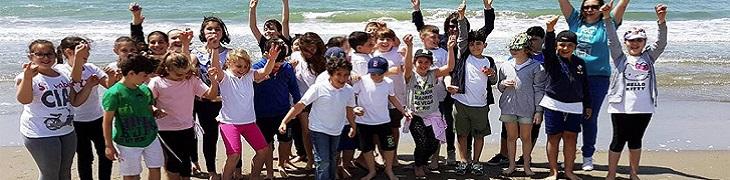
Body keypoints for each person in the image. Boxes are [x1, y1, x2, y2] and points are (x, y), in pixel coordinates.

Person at [412, 0, 495, 165]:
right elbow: (423, 31)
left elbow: (489, 27)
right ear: (445, 27)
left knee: (467, 124)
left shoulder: (470, 40)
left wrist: (487, 8)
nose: (453, 28)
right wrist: (416, 10)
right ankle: (450, 152)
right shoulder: (442, 41)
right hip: (446, 88)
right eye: (450, 25)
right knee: (448, 122)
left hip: (468, 90)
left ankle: (468, 155)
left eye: (456, 25)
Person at [558, 0, 631, 170]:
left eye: (594, 7)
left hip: (598, 77)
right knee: (570, 116)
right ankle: (569, 155)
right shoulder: (575, 20)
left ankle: (587, 156)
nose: (590, 10)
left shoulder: (608, 22)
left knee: (589, 117)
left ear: (601, 8)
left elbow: (624, 3)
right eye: (586, 7)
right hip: (573, 76)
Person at [603, 3, 668, 180]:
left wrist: (661, 21)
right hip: (620, 107)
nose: (635, 43)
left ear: (644, 42)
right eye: (631, 40)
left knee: (635, 141)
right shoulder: (619, 57)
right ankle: (611, 174)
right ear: (626, 42)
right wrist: (607, 18)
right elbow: (611, 40)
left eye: (639, 40)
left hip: (644, 107)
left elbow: (661, 43)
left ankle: (633, 174)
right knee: (618, 141)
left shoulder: (649, 57)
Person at [17, 40, 95, 180]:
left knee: (65, 173)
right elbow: (24, 99)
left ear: (55, 55)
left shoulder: (62, 74)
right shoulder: (27, 77)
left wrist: (88, 86)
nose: (46, 58)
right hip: (40, 132)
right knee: (50, 174)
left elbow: (74, 101)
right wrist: (27, 77)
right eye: (40, 54)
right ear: (31, 57)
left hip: (67, 130)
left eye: (49, 54)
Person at [278, 57, 358, 180]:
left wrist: (353, 125)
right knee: (323, 161)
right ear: (330, 74)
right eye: (338, 74)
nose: (342, 78)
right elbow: (300, 105)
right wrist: (285, 121)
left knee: (332, 158)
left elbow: (349, 109)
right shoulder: (318, 88)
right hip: (318, 129)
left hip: (336, 129)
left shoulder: (348, 90)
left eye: (346, 75)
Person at [444, 2, 497, 176]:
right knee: (461, 134)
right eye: (472, 44)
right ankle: (463, 161)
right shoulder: (464, 53)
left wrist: (491, 74)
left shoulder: (488, 60)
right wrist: (461, 17)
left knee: (479, 135)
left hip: (480, 105)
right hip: (461, 102)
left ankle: (475, 162)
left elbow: (494, 80)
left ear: (485, 45)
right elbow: (463, 37)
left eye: (479, 44)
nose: (475, 46)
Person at [149, 52, 220, 180]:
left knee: (186, 163)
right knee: (173, 163)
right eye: (178, 74)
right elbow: (146, 102)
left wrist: (213, 81)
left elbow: (211, 95)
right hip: (165, 130)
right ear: (167, 69)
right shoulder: (157, 82)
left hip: (187, 127)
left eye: (186, 72)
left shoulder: (191, 80)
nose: (183, 76)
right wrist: (154, 109)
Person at [213, 45, 279, 180]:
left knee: (263, 151)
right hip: (229, 123)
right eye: (238, 66)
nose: (242, 70)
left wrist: (271, 59)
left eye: (245, 66)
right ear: (229, 63)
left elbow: (265, 72)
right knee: (234, 155)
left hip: (249, 122)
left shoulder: (249, 75)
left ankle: (254, 177)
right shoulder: (225, 77)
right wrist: (214, 49)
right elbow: (216, 68)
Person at [541, 16, 592, 180]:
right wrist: (550, 30)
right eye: (562, 44)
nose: (565, 48)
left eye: (570, 45)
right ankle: (553, 172)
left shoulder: (580, 63)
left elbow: (585, 85)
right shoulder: (552, 60)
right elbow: (547, 49)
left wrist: (588, 105)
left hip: (575, 106)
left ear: (575, 47)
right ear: (557, 45)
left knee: (571, 139)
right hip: (553, 104)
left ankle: (569, 171)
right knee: (553, 138)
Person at [56, 36, 113, 180]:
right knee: (85, 156)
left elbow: (109, 86)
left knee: (105, 153)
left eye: (88, 51)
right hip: (75, 121)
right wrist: (78, 59)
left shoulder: (91, 67)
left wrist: (112, 76)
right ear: (68, 52)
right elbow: (74, 78)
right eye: (83, 51)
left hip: (96, 117)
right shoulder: (60, 69)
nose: (86, 55)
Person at [492, 26, 548, 167]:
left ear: (543, 40)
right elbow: (502, 81)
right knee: (508, 130)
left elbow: (541, 85)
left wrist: (539, 108)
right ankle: (504, 155)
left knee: (531, 131)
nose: (532, 42)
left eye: (535, 39)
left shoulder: (545, 57)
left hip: (535, 100)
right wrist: (504, 83)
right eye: (529, 39)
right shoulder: (512, 59)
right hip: (512, 103)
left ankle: (525, 158)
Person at [102, 53, 163, 180]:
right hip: (127, 142)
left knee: (155, 168)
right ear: (131, 74)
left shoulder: (145, 90)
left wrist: (156, 111)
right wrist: (108, 145)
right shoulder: (114, 93)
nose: (147, 79)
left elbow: (149, 107)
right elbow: (107, 122)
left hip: (150, 137)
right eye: (144, 75)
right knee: (131, 175)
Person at [404, 33, 457, 178]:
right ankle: (418, 166)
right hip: (415, 115)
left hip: (433, 114)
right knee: (421, 142)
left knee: (433, 144)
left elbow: (450, 67)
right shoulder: (411, 75)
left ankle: (422, 162)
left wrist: (450, 49)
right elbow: (407, 65)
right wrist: (409, 46)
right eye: (420, 62)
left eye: (426, 62)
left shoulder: (433, 74)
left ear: (431, 64)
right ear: (415, 63)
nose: (423, 65)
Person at [352, 56, 411, 180]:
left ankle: (389, 170)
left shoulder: (389, 82)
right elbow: (352, 96)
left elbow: (392, 97)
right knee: (367, 148)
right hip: (364, 122)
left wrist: (403, 110)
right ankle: (372, 170)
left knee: (389, 146)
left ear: (384, 72)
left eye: (378, 73)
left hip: (383, 121)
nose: (375, 76)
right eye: (372, 73)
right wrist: (355, 108)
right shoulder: (361, 81)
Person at [191, 16, 233, 179]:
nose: (213, 32)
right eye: (209, 29)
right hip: (204, 102)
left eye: (217, 29)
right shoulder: (196, 53)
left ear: (223, 32)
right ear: (203, 31)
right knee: (210, 137)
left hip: (225, 102)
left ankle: (236, 168)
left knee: (231, 135)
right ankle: (212, 170)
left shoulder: (229, 53)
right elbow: (187, 71)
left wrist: (215, 49)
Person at [252, 38, 300, 178]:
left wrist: (297, 106)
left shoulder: (287, 68)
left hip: (283, 113)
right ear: (266, 54)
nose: (277, 67)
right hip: (262, 114)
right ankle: (270, 172)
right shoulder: (256, 68)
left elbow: (294, 88)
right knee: (267, 145)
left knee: (286, 141)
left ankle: (281, 163)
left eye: (280, 63)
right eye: (275, 64)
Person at [290, 32, 329, 170]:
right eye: (306, 49)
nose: (309, 52)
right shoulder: (295, 56)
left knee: (320, 130)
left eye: (313, 49)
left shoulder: (322, 60)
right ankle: (310, 159)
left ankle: (323, 158)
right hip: (302, 100)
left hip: (320, 100)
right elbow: (291, 77)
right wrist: (290, 67)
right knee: (306, 131)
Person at [371, 29, 407, 168]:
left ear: (393, 41)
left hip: (396, 97)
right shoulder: (372, 54)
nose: (385, 42)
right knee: (377, 130)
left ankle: (393, 155)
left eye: (388, 39)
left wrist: (381, 73)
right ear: (376, 41)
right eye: (382, 39)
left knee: (393, 129)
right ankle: (380, 154)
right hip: (377, 99)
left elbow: (400, 69)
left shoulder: (398, 52)